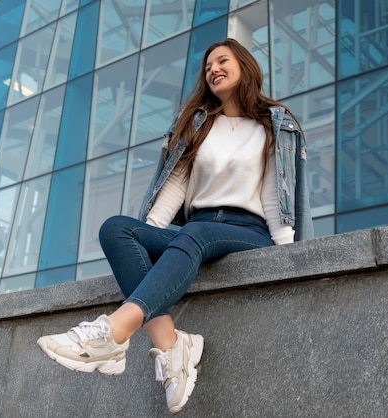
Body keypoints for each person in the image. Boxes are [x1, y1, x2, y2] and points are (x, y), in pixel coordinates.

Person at [37, 37, 313, 414]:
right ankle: (170, 345)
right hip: (196, 226)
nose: (212, 69)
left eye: (221, 61)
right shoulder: (199, 124)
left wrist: (289, 258)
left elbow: (273, 197)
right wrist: (150, 238)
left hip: (247, 231)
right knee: (117, 228)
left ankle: (115, 333)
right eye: (207, 66)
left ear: (245, 66)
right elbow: (173, 190)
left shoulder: (272, 125)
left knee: (192, 234)